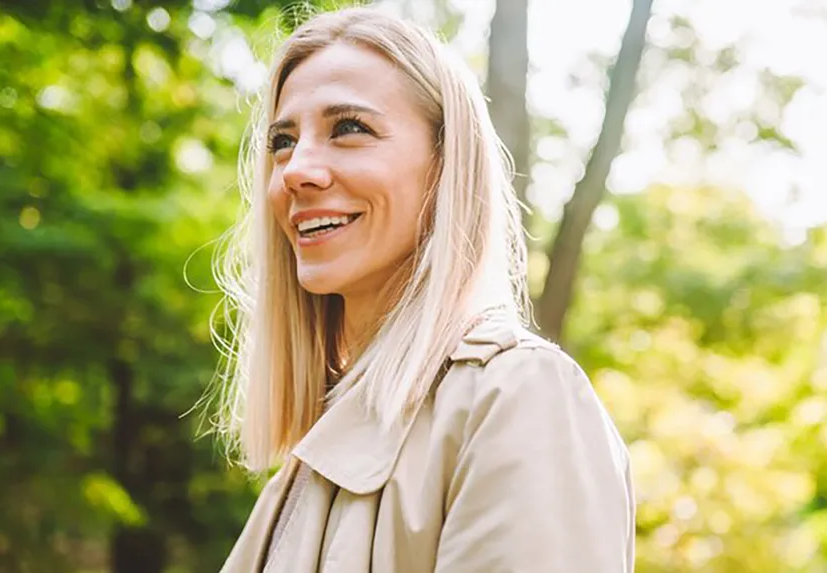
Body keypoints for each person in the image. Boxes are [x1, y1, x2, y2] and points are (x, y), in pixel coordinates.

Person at [211, 6, 634, 572]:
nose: (294, 170)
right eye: (282, 141)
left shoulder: (516, 398)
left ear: (445, 165)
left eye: (349, 128)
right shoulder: (308, 463)